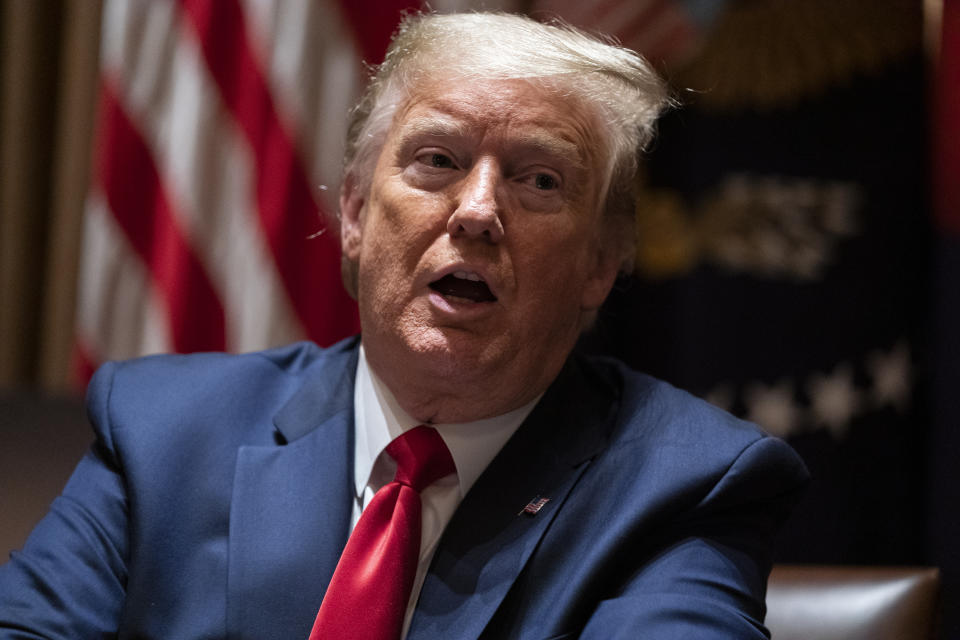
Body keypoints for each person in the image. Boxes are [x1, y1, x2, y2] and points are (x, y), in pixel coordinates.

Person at [0, 12, 807, 640]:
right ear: (354, 213)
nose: (480, 211)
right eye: (437, 161)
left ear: (601, 263)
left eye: (539, 179)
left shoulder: (685, 485)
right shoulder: (164, 433)